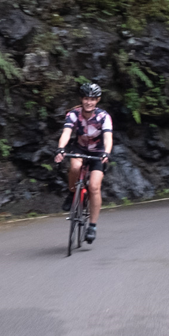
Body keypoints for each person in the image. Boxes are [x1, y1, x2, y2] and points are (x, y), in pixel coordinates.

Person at [52, 81, 112, 244]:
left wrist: (106, 152)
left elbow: (108, 137)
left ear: (97, 100)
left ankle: (92, 225)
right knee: (75, 166)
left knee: (94, 186)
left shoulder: (103, 117)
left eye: (92, 99)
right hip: (80, 149)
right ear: (81, 99)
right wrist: (61, 149)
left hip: (98, 152)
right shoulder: (73, 114)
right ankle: (73, 193)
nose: (89, 102)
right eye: (86, 98)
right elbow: (66, 133)